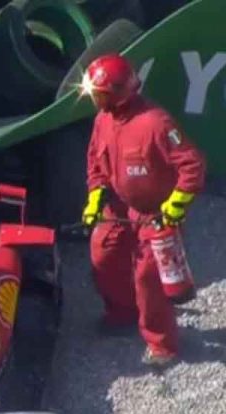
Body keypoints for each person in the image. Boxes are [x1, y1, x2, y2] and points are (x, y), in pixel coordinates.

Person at [79, 53, 207, 366]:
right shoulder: (102, 121)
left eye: (97, 94)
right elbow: (96, 162)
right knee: (103, 254)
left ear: (115, 94)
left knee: (148, 278)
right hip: (119, 208)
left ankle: (162, 344)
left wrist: (175, 206)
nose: (93, 99)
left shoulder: (156, 124)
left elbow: (193, 165)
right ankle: (122, 312)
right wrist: (95, 197)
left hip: (156, 214)